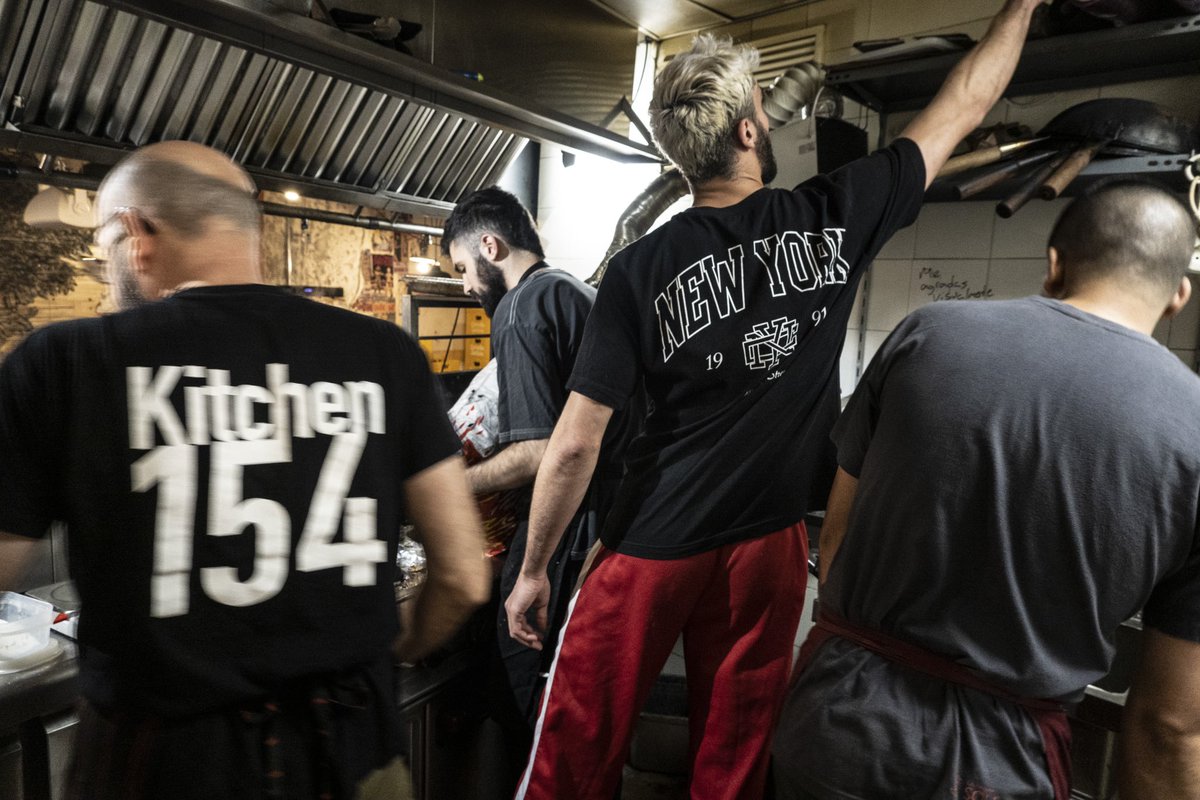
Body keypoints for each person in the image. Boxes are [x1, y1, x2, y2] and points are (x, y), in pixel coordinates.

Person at [503, 1, 1046, 797]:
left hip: (653, 541)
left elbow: (577, 441)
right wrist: (1024, 4)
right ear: (750, 133)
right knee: (735, 762)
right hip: (767, 543)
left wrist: (535, 567)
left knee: (575, 751)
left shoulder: (638, 270)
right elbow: (963, 103)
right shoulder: (831, 216)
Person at [0, 141, 491, 800]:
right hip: (353, 753)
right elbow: (461, 575)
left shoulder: (66, 361)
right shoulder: (384, 354)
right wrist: (384, 655)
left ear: (138, 235)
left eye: (105, 241)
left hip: (163, 769)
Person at [771, 181, 1200, 799]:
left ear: (1054, 264)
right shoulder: (1192, 427)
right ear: (1177, 296)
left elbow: (836, 541)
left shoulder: (923, 334)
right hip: (998, 770)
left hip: (835, 728)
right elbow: (1170, 725)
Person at [441, 186, 639, 787]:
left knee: (530, 700)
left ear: (490, 245)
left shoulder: (522, 307)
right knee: (580, 710)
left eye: (461, 269)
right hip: (614, 526)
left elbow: (537, 452)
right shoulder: (575, 290)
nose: (465, 286)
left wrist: (453, 487)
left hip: (568, 534)